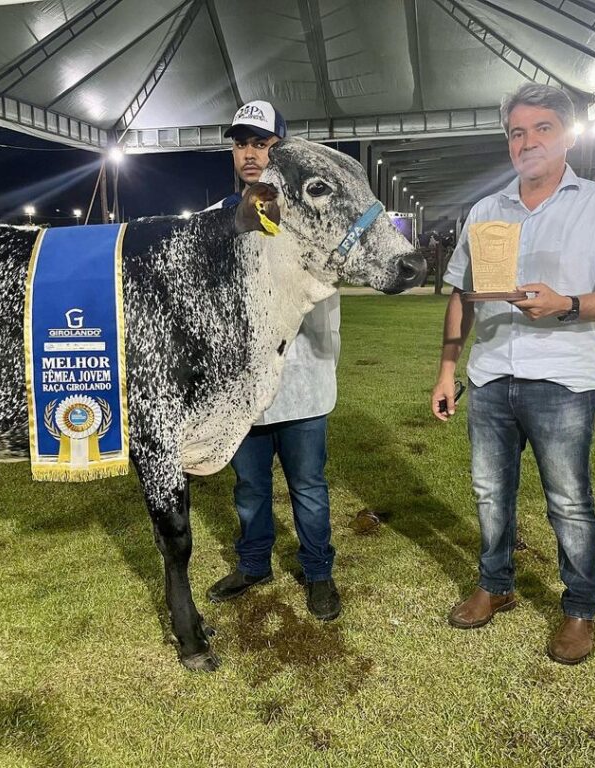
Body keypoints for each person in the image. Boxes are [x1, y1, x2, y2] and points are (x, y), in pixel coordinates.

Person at [430, 83, 595, 664]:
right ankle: (494, 585)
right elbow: (462, 296)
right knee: (489, 493)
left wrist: (566, 304)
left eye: (542, 128)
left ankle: (579, 607)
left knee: (569, 501)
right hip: (492, 375)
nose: (528, 142)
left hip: (563, 380)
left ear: (567, 135)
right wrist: (448, 369)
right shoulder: (486, 211)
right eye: (517, 132)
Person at [204, 100, 342, 621]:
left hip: (302, 375)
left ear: (282, 151)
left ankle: (318, 572)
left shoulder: (315, 213)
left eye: (261, 143)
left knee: (308, 486)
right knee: (249, 486)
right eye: (241, 143)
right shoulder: (219, 218)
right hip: (245, 384)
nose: (249, 154)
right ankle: (254, 563)